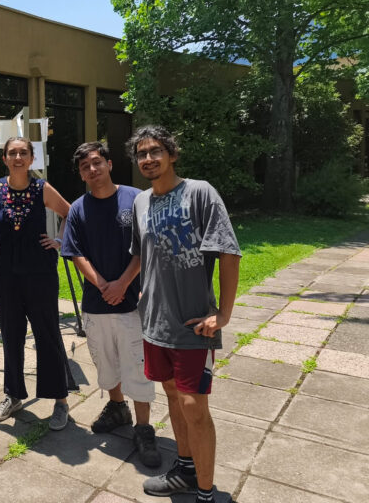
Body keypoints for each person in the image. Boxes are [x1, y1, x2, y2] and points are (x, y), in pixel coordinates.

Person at [127, 126, 241, 503]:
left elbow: (228, 252)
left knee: (195, 408)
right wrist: (145, 290)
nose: (148, 159)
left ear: (172, 154)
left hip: (194, 323)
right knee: (173, 397)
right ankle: (186, 472)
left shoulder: (199, 192)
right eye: (142, 153)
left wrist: (223, 315)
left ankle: (207, 495)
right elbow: (143, 253)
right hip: (155, 323)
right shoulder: (140, 202)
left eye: (155, 151)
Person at [61, 141, 161, 467]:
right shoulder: (78, 209)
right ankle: (117, 407)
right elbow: (75, 252)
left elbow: (146, 246)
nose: (92, 170)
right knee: (106, 363)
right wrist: (103, 284)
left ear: (109, 163)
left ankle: (144, 430)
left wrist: (123, 283)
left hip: (133, 302)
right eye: (85, 167)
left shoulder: (135, 199)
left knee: (138, 366)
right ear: (81, 174)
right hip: (96, 302)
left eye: (96, 163)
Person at [0, 136, 72, 431]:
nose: (18, 157)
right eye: (12, 153)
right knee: (11, 336)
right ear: (4, 158)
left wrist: (59, 240)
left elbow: (69, 212)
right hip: (5, 274)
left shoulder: (41, 188)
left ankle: (60, 400)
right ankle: (13, 395)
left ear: (31, 158)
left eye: (23, 152)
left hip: (40, 273)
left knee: (47, 334)